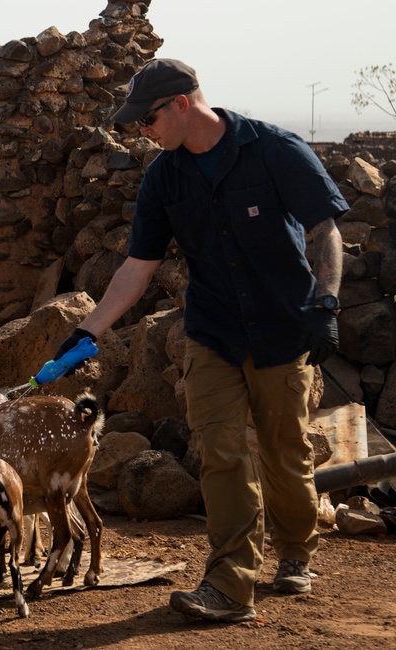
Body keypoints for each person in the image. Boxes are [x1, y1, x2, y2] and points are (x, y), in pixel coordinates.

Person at [53, 59, 347, 623]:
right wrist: (87, 331)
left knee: (286, 454)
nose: (141, 131)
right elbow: (138, 268)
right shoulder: (164, 177)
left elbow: (325, 231)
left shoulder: (275, 150)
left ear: (182, 105)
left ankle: (294, 552)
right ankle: (230, 585)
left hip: (285, 327)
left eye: (146, 120)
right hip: (212, 331)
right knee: (221, 452)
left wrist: (327, 302)